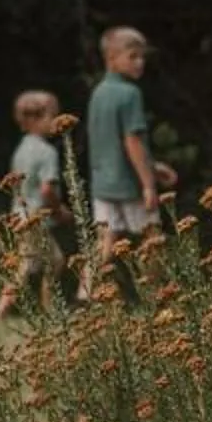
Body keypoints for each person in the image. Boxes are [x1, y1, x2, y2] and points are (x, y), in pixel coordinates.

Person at [82, 26, 174, 301]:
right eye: (132, 56)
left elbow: (109, 142)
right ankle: (156, 297)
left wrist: (154, 166)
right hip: (129, 184)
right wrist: (148, 184)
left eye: (142, 57)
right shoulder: (130, 94)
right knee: (152, 239)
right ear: (111, 57)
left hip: (102, 182)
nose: (140, 62)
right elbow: (131, 141)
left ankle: (84, 296)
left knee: (103, 242)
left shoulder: (98, 93)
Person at [0, 88, 67, 319]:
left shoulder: (22, 149)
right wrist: (59, 210)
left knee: (45, 262)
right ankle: (6, 313)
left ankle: (47, 308)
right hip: (34, 217)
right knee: (31, 267)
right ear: (35, 119)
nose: (56, 121)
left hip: (19, 215)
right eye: (52, 116)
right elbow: (47, 188)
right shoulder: (46, 152)